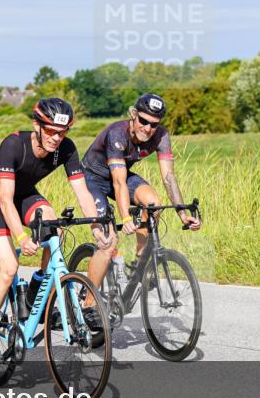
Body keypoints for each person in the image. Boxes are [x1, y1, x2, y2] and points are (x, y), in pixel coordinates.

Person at [0, 98, 114, 366]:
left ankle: (36, 292)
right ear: (36, 125)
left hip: (24, 194)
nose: (56, 138)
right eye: (50, 131)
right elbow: (5, 200)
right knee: (9, 268)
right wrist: (21, 237)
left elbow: (83, 192)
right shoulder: (14, 144)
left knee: (54, 228)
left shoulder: (66, 148)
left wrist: (96, 227)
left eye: (62, 132)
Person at [80, 93, 201, 294]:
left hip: (120, 174)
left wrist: (182, 214)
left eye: (154, 124)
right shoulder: (117, 133)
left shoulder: (161, 136)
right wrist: (126, 217)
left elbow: (169, 178)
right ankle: (88, 301)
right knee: (108, 241)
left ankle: (138, 265)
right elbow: (119, 183)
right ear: (134, 115)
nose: (147, 128)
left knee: (154, 204)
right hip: (92, 178)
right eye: (143, 121)